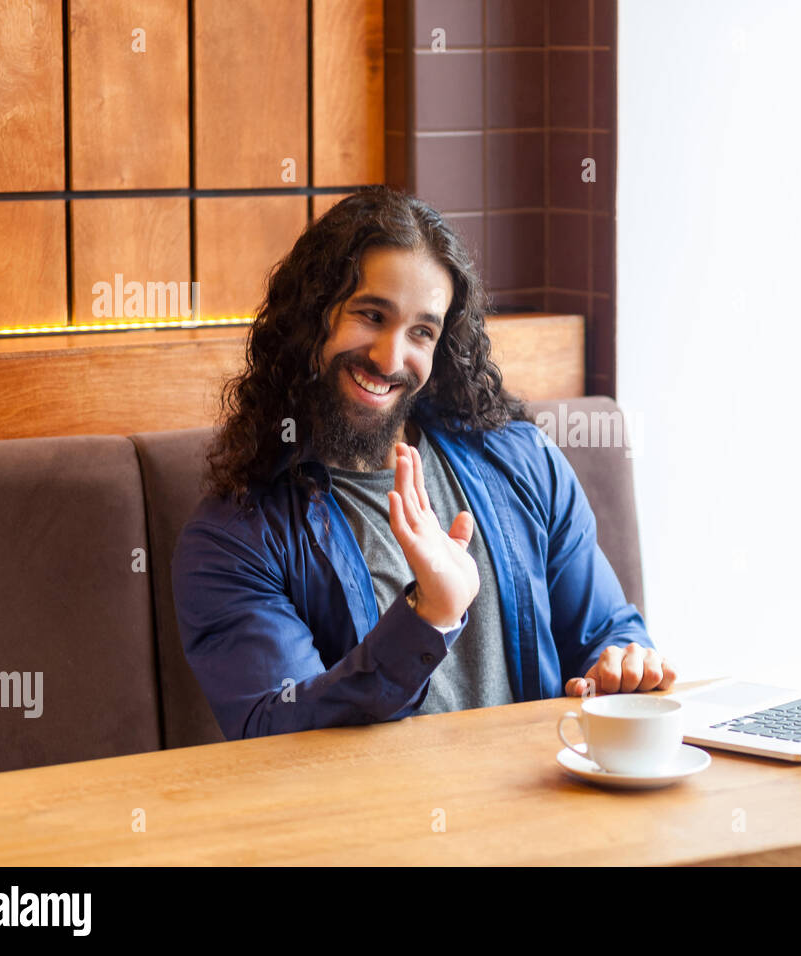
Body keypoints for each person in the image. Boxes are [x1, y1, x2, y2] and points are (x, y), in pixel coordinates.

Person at [172, 185, 675, 740]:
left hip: (545, 811)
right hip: (377, 824)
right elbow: (280, 732)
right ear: (310, 317)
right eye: (370, 314)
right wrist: (428, 616)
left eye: (421, 332)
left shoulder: (526, 463)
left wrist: (624, 664)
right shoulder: (234, 537)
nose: (391, 358)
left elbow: (605, 631)